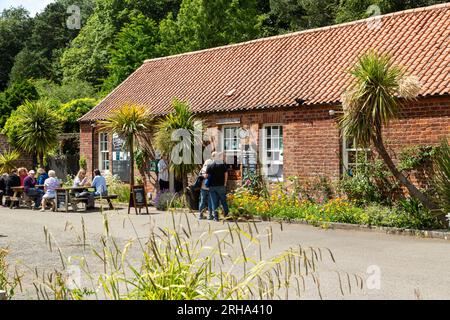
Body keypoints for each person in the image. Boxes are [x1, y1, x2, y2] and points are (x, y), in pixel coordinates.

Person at [206, 152, 229, 222]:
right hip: (221, 186)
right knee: (223, 201)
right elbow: (226, 174)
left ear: (213, 157)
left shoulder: (209, 166)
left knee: (214, 202)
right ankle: (226, 216)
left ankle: (216, 217)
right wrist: (225, 183)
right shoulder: (222, 165)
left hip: (212, 187)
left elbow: (206, 176)